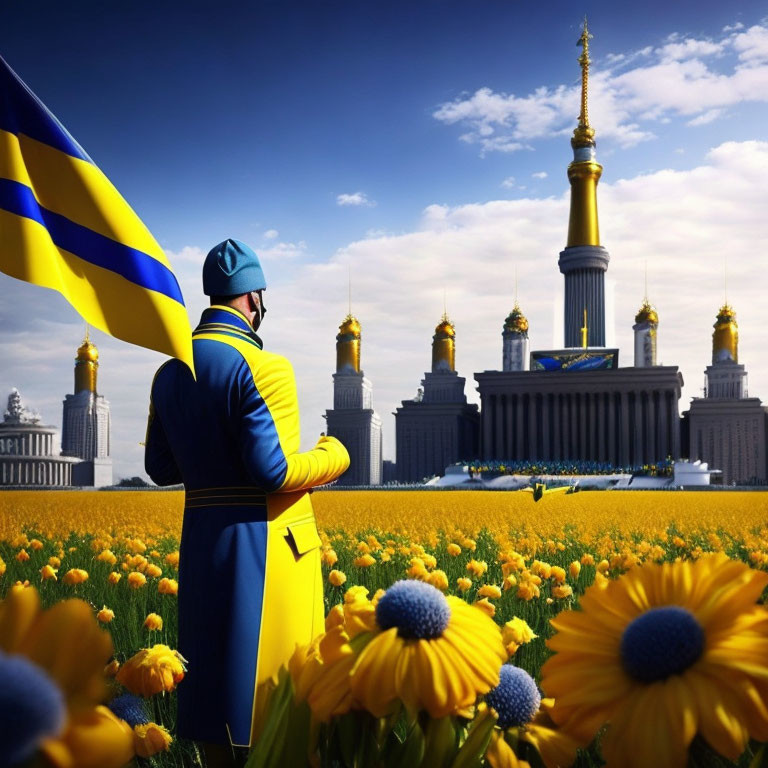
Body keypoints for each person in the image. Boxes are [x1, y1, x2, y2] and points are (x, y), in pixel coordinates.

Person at [144, 239, 350, 768]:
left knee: (216, 693)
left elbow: (160, 469)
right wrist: (333, 455)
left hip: (204, 544)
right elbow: (273, 472)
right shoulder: (265, 366)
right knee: (275, 709)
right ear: (255, 297)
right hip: (269, 552)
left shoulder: (169, 372)